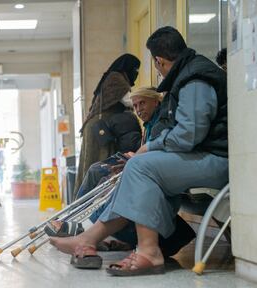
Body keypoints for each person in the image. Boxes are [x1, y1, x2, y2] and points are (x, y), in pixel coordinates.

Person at [50, 26, 228, 276]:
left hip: (219, 161)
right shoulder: (189, 74)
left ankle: (146, 251)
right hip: (208, 157)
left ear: (159, 61)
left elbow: (189, 135)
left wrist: (151, 147)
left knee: (141, 167)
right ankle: (91, 238)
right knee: (140, 170)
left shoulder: (194, 79)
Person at [46, 87, 195, 258]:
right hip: (145, 172)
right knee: (98, 170)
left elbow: (159, 156)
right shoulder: (149, 124)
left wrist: (134, 159)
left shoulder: (161, 123)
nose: (139, 109)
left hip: (154, 189)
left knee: (111, 181)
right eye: (136, 105)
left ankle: (82, 226)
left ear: (156, 101)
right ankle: (78, 220)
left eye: (142, 103)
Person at [73, 54, 142, 199]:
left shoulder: (111, 77)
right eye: (135, 68)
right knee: (100, 165)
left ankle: (82, 202)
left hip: (96, 128)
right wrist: (148, 96)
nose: (136, 72)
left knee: (89, 165)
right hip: (101, 130)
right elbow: (129, 101)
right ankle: (92, 202)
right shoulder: (117, 78)